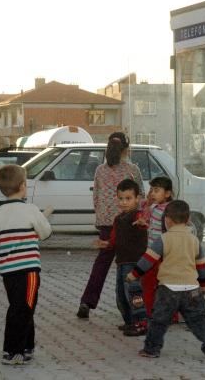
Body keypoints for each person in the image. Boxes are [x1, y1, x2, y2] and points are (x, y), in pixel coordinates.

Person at [126, 200, 205, 359]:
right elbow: (201, 266)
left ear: (167, 219)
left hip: (168, 289)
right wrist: (203, 285)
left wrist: (132, 275)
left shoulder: (163, 239)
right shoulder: (194, 240)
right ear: (188, 219)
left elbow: (147, 261)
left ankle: (151, 349)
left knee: (159, 321)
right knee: (198, 320)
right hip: (191, 289)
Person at [0, 164, 52, 365]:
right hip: (28, 271)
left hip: (8, 272)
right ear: (22, 186)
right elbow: (45, 233)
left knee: (20, 306)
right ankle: (12, 351)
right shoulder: (30, 210)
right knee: (23, 309)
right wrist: (40, 223)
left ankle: (27, 347)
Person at [77, 132, 144, 319]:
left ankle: (87, 302)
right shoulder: (132, 170)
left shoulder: (100, 170)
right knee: (131, 263)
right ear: (126, 149)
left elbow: (96, 198)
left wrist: (102, 217)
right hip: (128, 222)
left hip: (106, 223)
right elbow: (141, 197)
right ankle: (136, 306)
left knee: (102, 264)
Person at [95, 179, 148, 336]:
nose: (124, 202)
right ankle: (130, 321)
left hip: (135, 262)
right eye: (121, 198)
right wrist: (105, 244)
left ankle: (142, 322)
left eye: (128, 198)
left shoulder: (137, 215)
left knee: (133, 292)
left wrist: (142, 222)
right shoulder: (118, 219)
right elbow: (114, 240)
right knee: (121, 293)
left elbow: (144, 222)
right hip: (121, 262)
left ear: (137, 198)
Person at [135, 176, 173, 318]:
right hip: (152, 253)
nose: (152, 193)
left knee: (159, 284)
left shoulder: (169, 210)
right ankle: (153, 311)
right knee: (151, 283)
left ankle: (154, 313)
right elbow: (154, 228)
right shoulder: (155, 207)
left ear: (167, 194)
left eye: (156, 190)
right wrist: (145, 225)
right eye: (151, 190)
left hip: (162, 255)